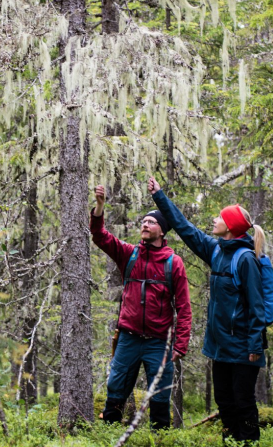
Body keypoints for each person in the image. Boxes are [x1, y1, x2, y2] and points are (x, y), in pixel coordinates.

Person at [149, 177, 268, 445]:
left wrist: (254, 347)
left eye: (220, 217)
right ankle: (232, 440)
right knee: (224, 401)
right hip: (220, 346)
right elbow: (183, 227)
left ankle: (249, 442)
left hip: (243, 347)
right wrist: (160, 196)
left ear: (231, 227)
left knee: (243, 402)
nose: (215, 219)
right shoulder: (215, 250)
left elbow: (257, 307)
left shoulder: (246, 258)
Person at [90, 184, 192, 430]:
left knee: (159, 396)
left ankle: (161, 440)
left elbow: (184, 307)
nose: (145, 225)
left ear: (162, 230)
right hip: (128, 339)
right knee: (116, 391)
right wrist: (100, 206)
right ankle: (109, 437)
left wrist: (181, 344)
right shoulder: (130, 254)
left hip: (159, 342)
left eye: (151, 222)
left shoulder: (173, 263)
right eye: (143, 221)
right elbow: (100, 236)